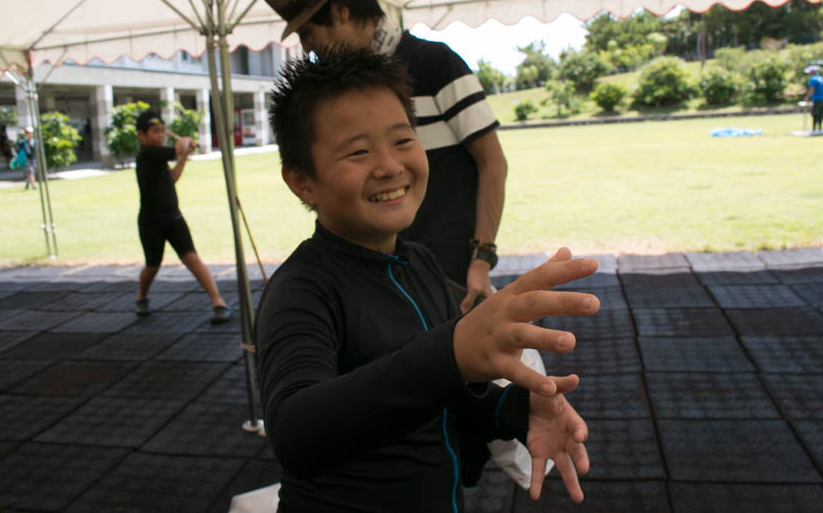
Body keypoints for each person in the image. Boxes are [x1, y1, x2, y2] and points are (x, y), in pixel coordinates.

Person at [255, 47, 599, 512]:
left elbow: (440, 395)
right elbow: (295, 433)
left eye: (402, 141)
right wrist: (451, 354)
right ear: (302, 181)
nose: (389, 165)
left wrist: (514, 408)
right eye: (358, 151)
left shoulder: (419, 263)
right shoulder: (301, 289)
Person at [260, 0, 508, 314]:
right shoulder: (335, 97)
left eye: (310, 34)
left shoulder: (436, 63)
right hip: (376, 278)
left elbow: (493, 163)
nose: (309, 50)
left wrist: (481, 258)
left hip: (449, 277)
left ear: (342, 12)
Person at [133, 109, 230, 324]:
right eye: (154, 131)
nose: (160, 135)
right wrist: (184, 144)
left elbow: (172, 177)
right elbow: (177, 149)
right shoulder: (147, 154)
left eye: (162, 131)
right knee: (152, 266)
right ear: (141, 135)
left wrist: (184, 155)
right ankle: (141, 296)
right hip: (151, 222)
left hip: (173, 217)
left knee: (192, 258)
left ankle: (218, 301)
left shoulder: (158, 156)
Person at [804, 65, 823, 133]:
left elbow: (812, 89)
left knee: (815, 114)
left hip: (817, 99)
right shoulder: (821, 78)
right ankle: (820, 129)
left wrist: (807, 97)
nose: (808, 74)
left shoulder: (813, 79)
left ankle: (814, 129)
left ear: (812, 72)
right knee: (820, 114)